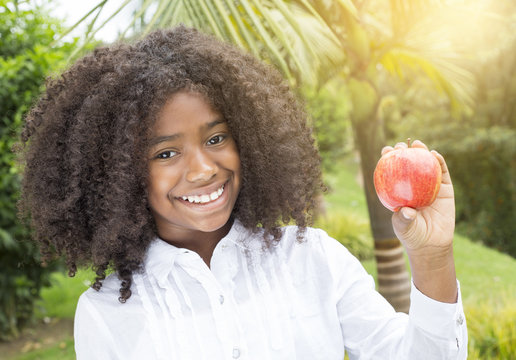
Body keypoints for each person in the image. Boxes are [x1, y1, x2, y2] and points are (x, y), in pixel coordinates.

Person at [18, 25, 467, 359]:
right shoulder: (106, 313)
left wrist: (431, 257)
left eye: (216, 139)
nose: (202, 170)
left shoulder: (313, 260)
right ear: (118, 175)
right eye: (165, 154)